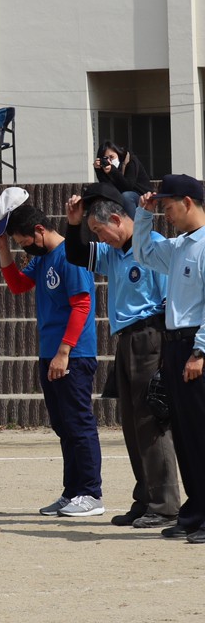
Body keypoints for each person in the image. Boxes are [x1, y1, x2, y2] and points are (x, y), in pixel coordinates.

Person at [65, 188, 178, 528]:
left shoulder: (151, 246)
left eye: (100, 232)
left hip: (150, 335)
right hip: (126, 338)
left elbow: (166, 301)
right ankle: (144, 499)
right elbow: (76, 254)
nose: (101, 239)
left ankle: (165, 504)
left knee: (151, 422)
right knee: (131, 423)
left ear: (116, 219)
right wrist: (74, 226)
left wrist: (164, 359)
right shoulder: (113, 253)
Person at [0, 202, 104, 517]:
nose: (23, 248)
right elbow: (17, 286)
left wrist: (64, 351)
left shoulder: (71, 255)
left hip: (73, 355)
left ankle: (91, 493)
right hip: (51, 354)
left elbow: (81, 305)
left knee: (79, 423)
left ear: (40, 231)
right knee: (63, 425)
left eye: (24, 242)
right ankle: (72, 492)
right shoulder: (44, 258)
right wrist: (4, 250)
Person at [132, 175, 205, 541]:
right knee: (185, 433)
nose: (166, 214)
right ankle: (195, 513)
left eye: (167, 207)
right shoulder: (179, 248)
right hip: (175, 343)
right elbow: (142, 253)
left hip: (196, 345)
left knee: (201, 432)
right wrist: (143, 216)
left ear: (188, 201)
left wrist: (200, 350)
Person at [95, 142, 150, 215]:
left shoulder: (130, 161)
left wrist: (113, 171)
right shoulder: (106, 168)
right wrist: (98, 170)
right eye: (106, 158)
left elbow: (128, 186)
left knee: (126, 196)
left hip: (141, 196)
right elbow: (107, 187)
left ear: (118, 153)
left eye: (111, 157)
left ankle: (132, 225)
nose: (109, 161)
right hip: (121, 196)